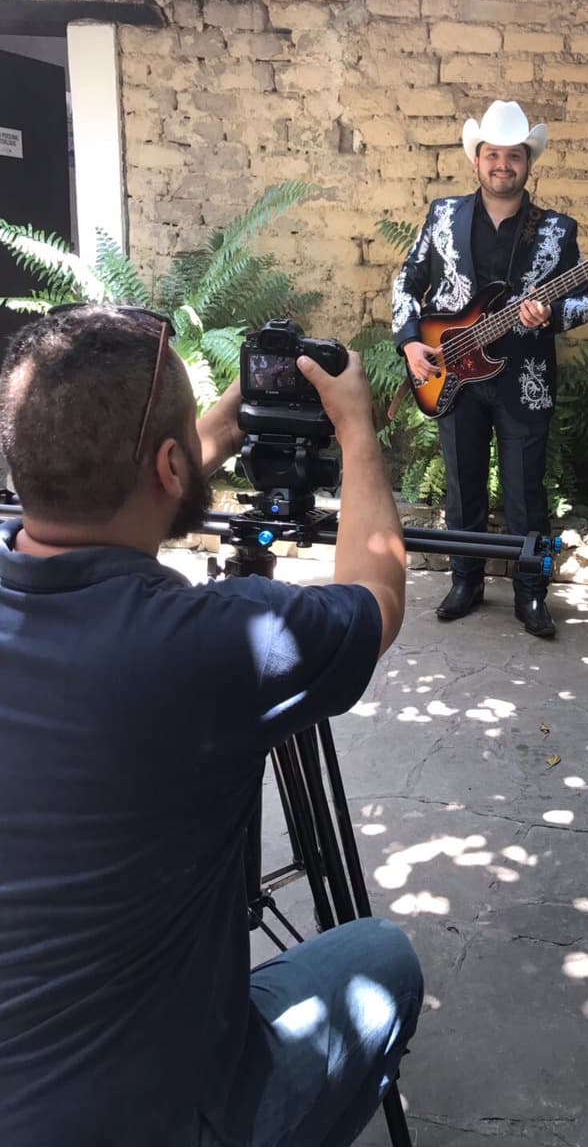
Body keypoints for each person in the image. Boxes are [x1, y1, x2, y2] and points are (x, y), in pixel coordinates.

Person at [0, 306, 422, 1147]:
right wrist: (356, 432)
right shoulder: (217, 643)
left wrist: (211, 433)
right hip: (148, 1121)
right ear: (167, 464)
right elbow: (379, 599)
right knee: (381, 961)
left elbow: (103, 488)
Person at [392, 99, 588, 639]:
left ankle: (532, 594)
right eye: (492, 155)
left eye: (513, 156)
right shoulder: (442, 216)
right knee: (462, 487)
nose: (502, 165)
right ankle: (467, 581)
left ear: (529, 163)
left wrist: (550, 314)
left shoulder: (555, 230)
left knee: (527, 493)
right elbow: (405, 284)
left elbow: (584, 303)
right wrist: (411, 344)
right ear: (476, 159)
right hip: (453, 372)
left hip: (523, 381)